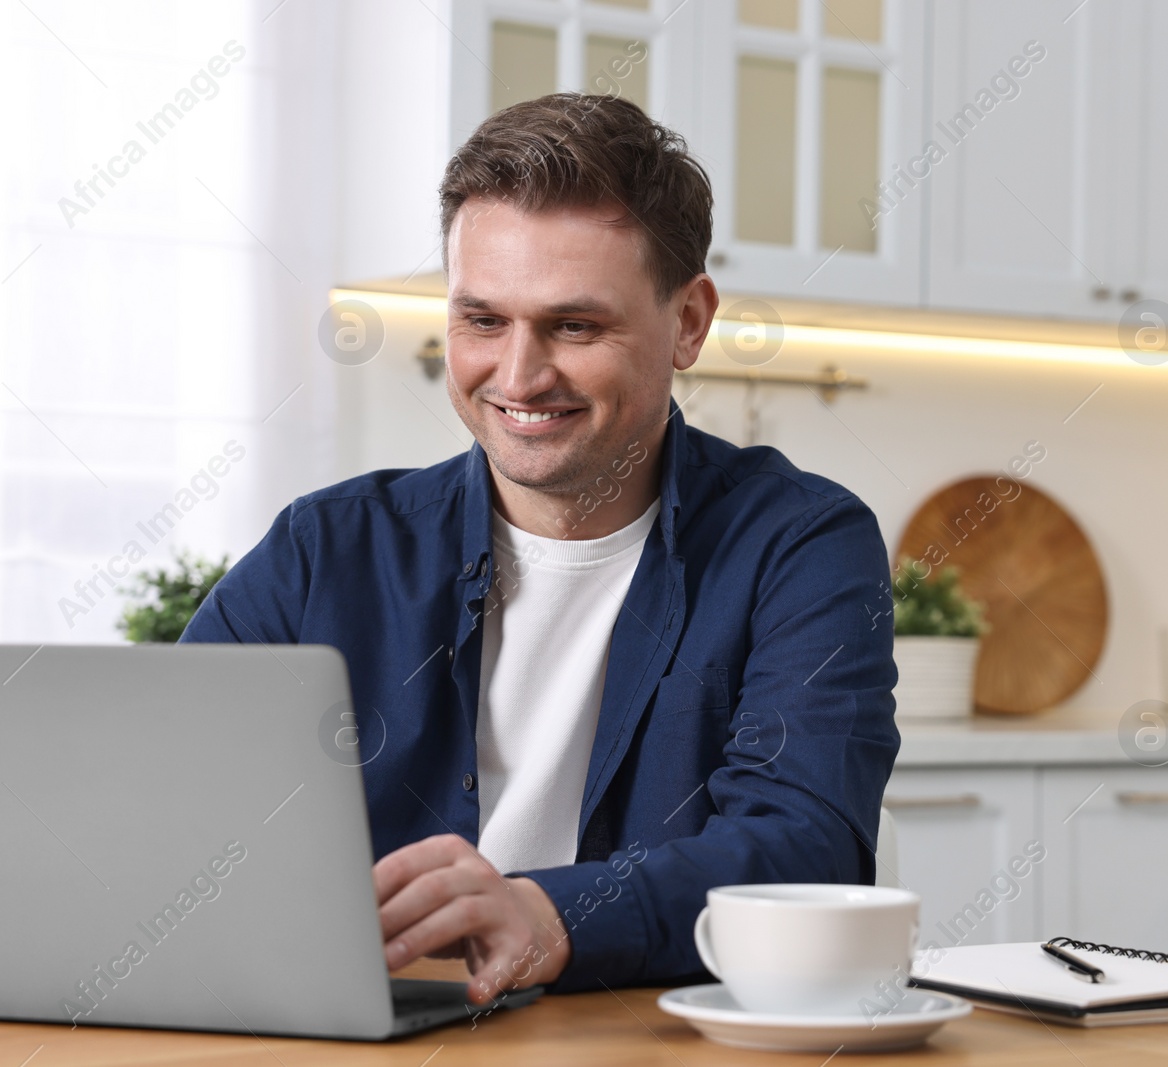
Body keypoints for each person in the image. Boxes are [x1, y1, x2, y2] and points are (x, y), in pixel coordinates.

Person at [181, 92, 899, 1003]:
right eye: (482, 321)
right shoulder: (325, 550)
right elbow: (173, 812)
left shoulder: (799, 546)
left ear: (688, 322)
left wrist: (553, 915)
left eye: (575, 326)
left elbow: (807, 850)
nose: (518, 376)